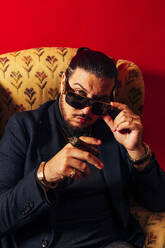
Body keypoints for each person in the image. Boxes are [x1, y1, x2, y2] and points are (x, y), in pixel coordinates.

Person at [0, 47, 165, 248]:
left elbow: (158, 202)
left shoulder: (115, 130)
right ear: (63, 83)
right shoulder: (25, 127)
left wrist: (137, 151)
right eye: (78, 96)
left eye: (98, 104)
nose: (86, 110)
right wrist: (45, 175)